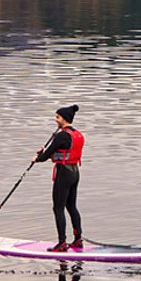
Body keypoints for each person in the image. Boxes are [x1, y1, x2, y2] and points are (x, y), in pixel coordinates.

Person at [33, 104, 84, 252]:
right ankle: (78, 240)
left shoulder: (61, 135)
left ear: (64, 118)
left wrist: (37, 157)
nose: (55, 119)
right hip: (75, 172)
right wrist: (46, 153)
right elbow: (59, 152)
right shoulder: (77, 134)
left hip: (64, 174)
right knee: (71, 206)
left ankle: (62, 243)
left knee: (58, 208)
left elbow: (44, 157)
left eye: (57, 117)